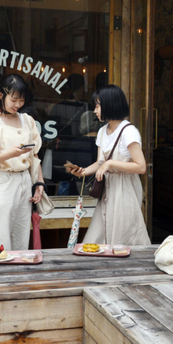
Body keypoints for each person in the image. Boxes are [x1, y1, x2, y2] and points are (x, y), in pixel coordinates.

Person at [67, 84, 150, 246]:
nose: (95, 111)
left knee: (122, 237)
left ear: (110, 105)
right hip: (107, 191)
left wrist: (111, 164)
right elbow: (100, 163)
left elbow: (141, 167)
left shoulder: (129, 131)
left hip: (125, 190)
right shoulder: (102, 131)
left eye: (98, 106)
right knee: (98, 236)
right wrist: (83, 172)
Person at [0, 75, 45, 251]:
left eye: (21, 100)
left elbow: (34, 155)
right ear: (0, 96)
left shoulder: (27, 120)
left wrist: (39, 183)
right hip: (1, 182)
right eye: (13, 99)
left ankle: (18, 277)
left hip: (24, 181)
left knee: (21, 238)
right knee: (0, 239)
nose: (18, 104)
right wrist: (10, 154)